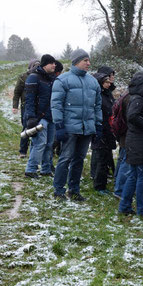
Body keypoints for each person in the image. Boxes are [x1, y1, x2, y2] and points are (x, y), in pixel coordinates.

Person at [51, 49, 102, 201]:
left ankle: (74, 190)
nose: (88, 63)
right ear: (76, 61)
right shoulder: (62, 80)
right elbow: (56, 104)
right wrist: (59, 125)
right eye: (85, 60)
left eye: (89, 60)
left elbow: (97, 106)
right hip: (69, 128)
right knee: (65, 159)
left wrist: (98, 125)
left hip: (86, 129)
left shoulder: (93, 82)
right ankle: (58, 191)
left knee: (79, 159)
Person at [118, 72, 143, 217]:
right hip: (140, 143)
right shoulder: (138, 99)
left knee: (134, 176)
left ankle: (125, 206)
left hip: (137, 142)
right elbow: (132, 116)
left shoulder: (138, 98)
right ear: (142, 86)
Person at [24, 55, 57, 178]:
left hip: (51, 116)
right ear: (44, 64)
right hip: (39, 117)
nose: (54, 65)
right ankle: (31, 170)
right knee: (39, 143)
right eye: (51, 63)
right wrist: (31, 117)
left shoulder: (52, 79)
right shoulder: (34, 77)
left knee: (49, 144)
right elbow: (29, 99)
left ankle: (46, 169)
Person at [90, 72, 116, 194]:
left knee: (105, 157)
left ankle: (102, 182)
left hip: (108, 129)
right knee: (100, 158)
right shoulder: (96, 95)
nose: (108, 84)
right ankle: (99, 185)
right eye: (106, 82)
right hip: (100, 129)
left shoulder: (108, 95)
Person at [13, 60, 39, 158]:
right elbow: (17, 92)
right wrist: (15, 106)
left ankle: (35, 152)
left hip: (39, 106)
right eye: (35, 65)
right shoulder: (23, 77)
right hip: (26, 106)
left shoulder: (42, 77)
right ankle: (23, 151)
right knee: (26, 127)